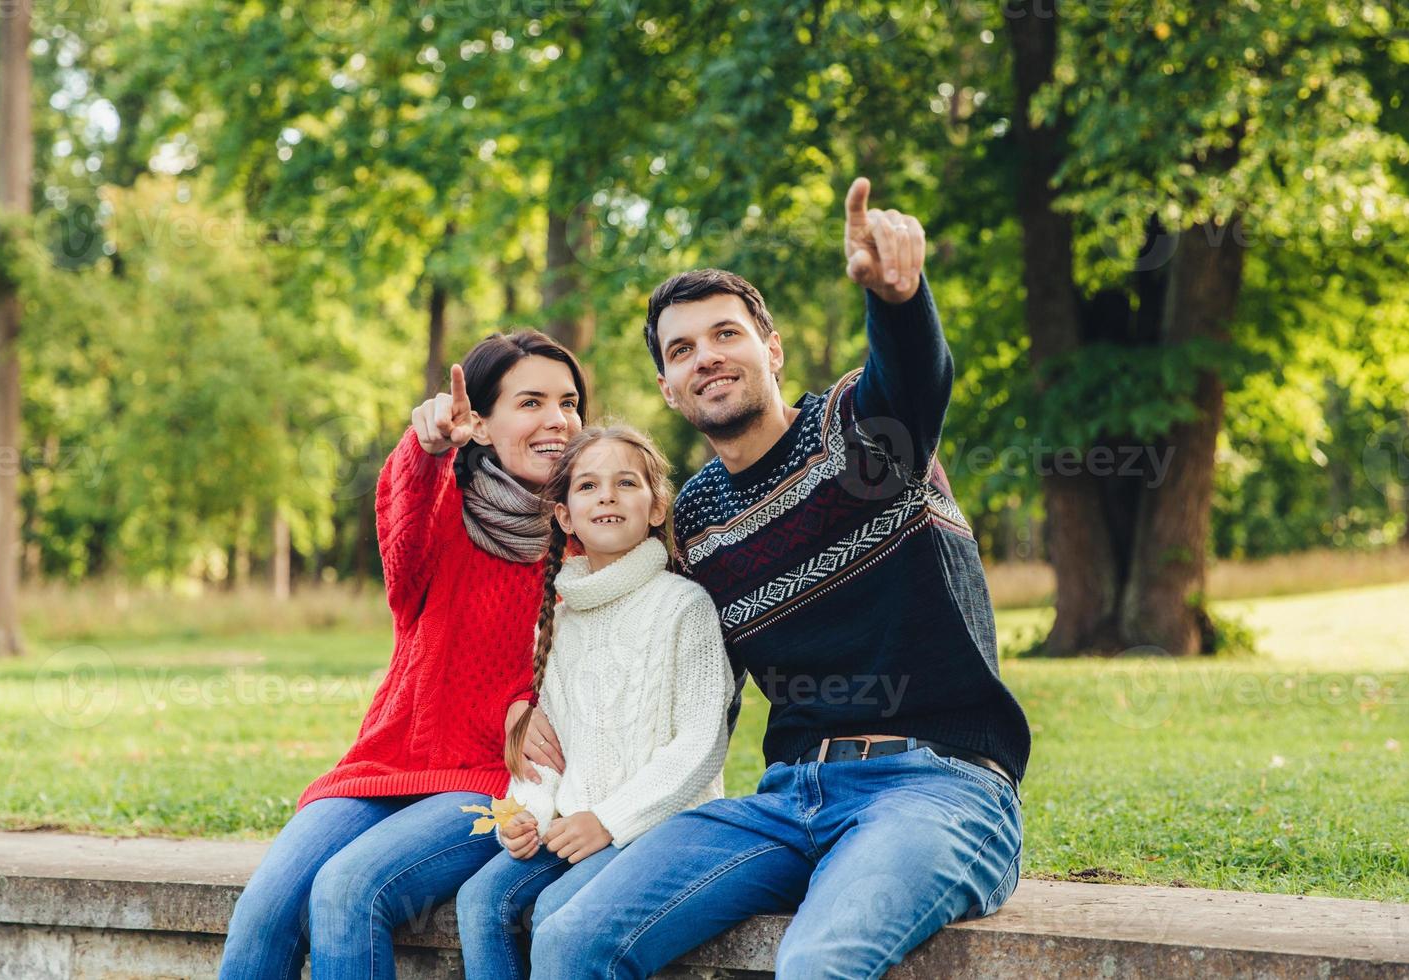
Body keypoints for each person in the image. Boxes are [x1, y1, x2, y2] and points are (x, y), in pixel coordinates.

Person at [528, 177, 1031, 978]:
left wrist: (899, 302)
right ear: (667, 385)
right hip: (787, 800)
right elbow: (619, 610)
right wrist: (528, 705)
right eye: (681, 350)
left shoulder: (859, 436)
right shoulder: (692, 518)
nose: (707, 358)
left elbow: (914, 379)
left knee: (816, 964)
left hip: (935, 788)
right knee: (567, 938)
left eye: (725, 334)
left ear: (773, 348)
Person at [219, 331, 588, 980]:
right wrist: (426, 446)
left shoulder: (591, 534)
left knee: (348, 890)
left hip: (489, 781)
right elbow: (404, 514)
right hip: (387, 762)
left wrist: (528, 705)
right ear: (480, 420)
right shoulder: (444, 514)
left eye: (569, 401)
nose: (557, 420)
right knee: (264, 909)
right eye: (531, 402)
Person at [455, 424, 733, 980]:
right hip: (572, 828)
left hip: (655, 827)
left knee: (561, 913)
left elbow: (702, 742)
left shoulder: (683, 606)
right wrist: (528, 816)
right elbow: (547, 747)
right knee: (480, 900)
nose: (606, 495)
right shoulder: (559, 619)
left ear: (656, 508)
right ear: (564, 516)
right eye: (587, 486)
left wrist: (607, 819)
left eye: (625, 482)